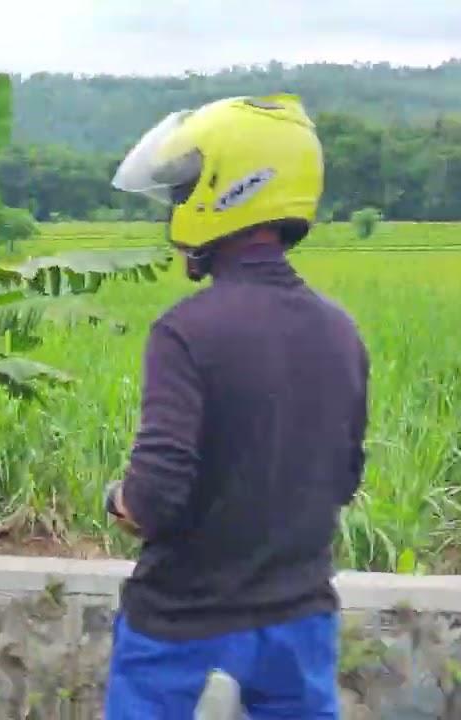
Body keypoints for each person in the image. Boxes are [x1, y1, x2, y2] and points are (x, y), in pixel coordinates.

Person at [101, 94, 371, 719]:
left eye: (182, 190)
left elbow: (155, 497)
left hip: (182, 631)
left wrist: (118, 500)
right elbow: (343, 479)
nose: (175, 208)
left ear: (227, 190)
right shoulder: (340, 331)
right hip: (299, 623)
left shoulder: (185, 331)